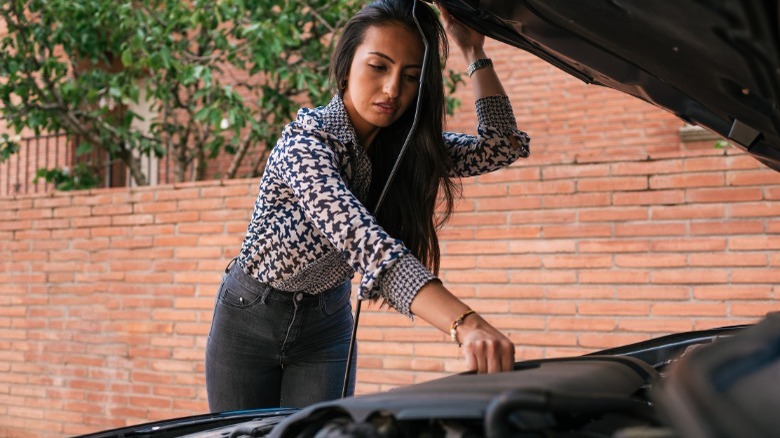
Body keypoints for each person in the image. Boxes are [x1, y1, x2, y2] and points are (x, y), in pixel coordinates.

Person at [205, 0, 530, 412]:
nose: (393, 89)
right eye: (379, 66)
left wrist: (474, 53)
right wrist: (465, 323)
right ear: (346, 67)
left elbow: (501, 146)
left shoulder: (407, 151)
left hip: (326, 323)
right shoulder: (306, 142)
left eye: (410, 77)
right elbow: (363, 241)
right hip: (249, 317)